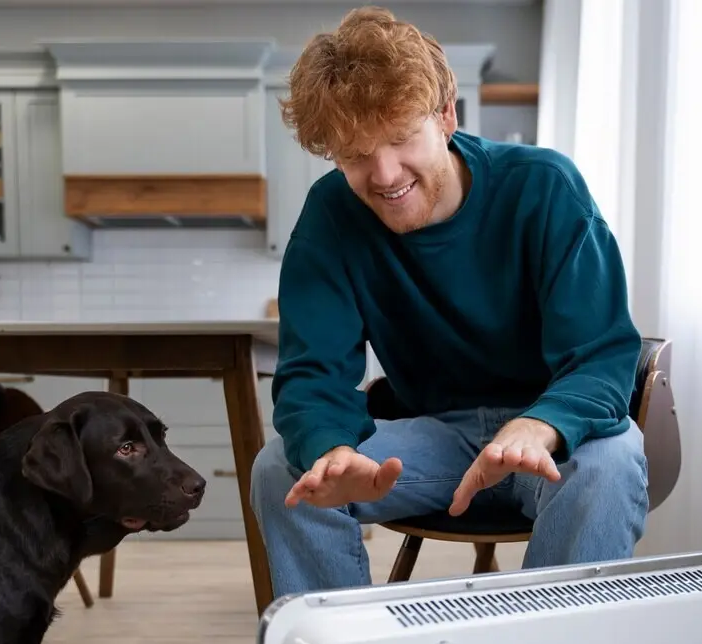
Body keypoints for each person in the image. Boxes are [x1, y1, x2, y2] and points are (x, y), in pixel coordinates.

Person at [250, 5, 648, 597]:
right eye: (356, 154)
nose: (384, 174)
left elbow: (603, 354)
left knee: (612, 464)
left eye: (401, 137)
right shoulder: (331, 215)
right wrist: (332, 451)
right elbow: (312, 374)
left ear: (445, 114)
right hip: (432, 436)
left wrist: (539, 425)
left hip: (554, 433)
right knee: (282, 469)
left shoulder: (544, 187)